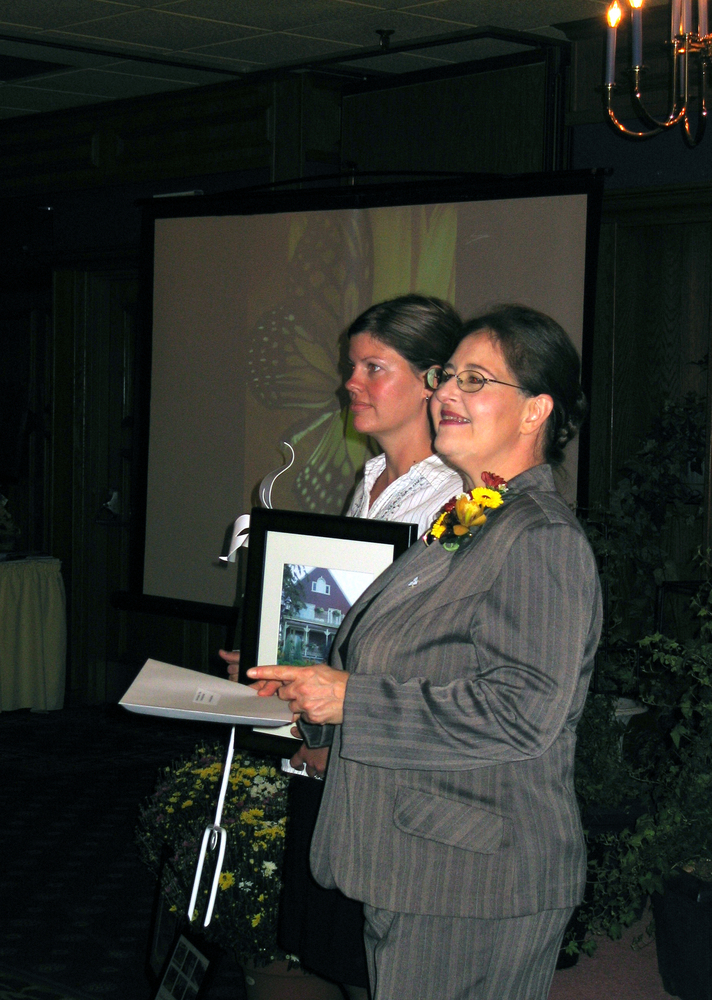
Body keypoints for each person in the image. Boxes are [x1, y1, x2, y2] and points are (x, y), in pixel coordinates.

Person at [249, 304, 603, 1000]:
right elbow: (401, 658)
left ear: (535, 411)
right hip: (421, 865)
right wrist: (314, 700)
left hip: (475, 880)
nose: (446, 393)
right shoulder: (472, 518)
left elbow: (522, 713)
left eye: (476, 380)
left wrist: (350, 701)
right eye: (446, 376)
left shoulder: (540, 537)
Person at [225, 293, 467, 996]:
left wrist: (335, 728)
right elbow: (352, 623)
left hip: (383, 771)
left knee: (380, 968)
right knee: (340, 958)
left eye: (372, 368)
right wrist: (279, 657)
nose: (349, 383)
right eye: (351, 366)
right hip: (330, 753)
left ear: (432, 382)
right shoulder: (373, 480)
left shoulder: (456, 501)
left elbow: (433, 655)